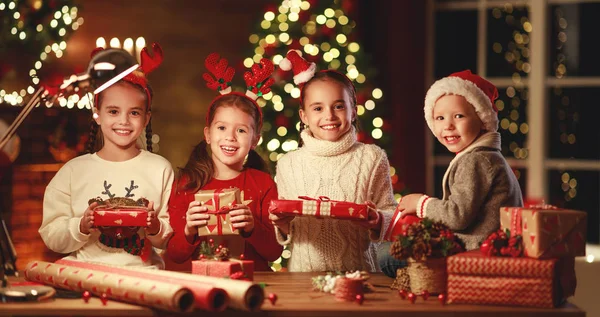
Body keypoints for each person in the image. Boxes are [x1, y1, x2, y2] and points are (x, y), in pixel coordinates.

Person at [39, 44, 174, 269]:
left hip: (144, 276)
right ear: (97, 114)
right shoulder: (73, 171)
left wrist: (155, 227)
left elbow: (172, 238)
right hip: (86, 274)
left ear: (146, 118)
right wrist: (81, 225)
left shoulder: (160, 169)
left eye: (134, 112)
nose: (123, 121)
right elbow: (51, 234)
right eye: (113, 111)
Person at [380, 70, 524, 276]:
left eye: (458, 116)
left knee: (386, 254)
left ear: (483, 120)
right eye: (439, 118)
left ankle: (436, 283)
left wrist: (421, 204)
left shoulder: (477, 160)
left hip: (478, 255)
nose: (447, 125)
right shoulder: (480, 156)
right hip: (475, 247)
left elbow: (457, 216)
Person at [268, 50, 396, 272]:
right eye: (318, 108)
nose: (329, 115)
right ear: (304, 116)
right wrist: (280, 222)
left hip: (361, 276)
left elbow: (390, 213)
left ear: (353, 111)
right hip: (303, 278)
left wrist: (378, 221)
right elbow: (289, 228)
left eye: (338, 106)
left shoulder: (372, 158)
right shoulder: (289, 163)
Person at [166, 53, 282, 271]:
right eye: (222, 128)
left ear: (255, 140)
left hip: (250, 282)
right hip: (199, 285)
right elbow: (174, 253)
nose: (230, 136)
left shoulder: (264, 184)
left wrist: (252, 228)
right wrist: (189, 230)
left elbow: (275, 252)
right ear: (208, 135)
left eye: (241, 130)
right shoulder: (187, 184)